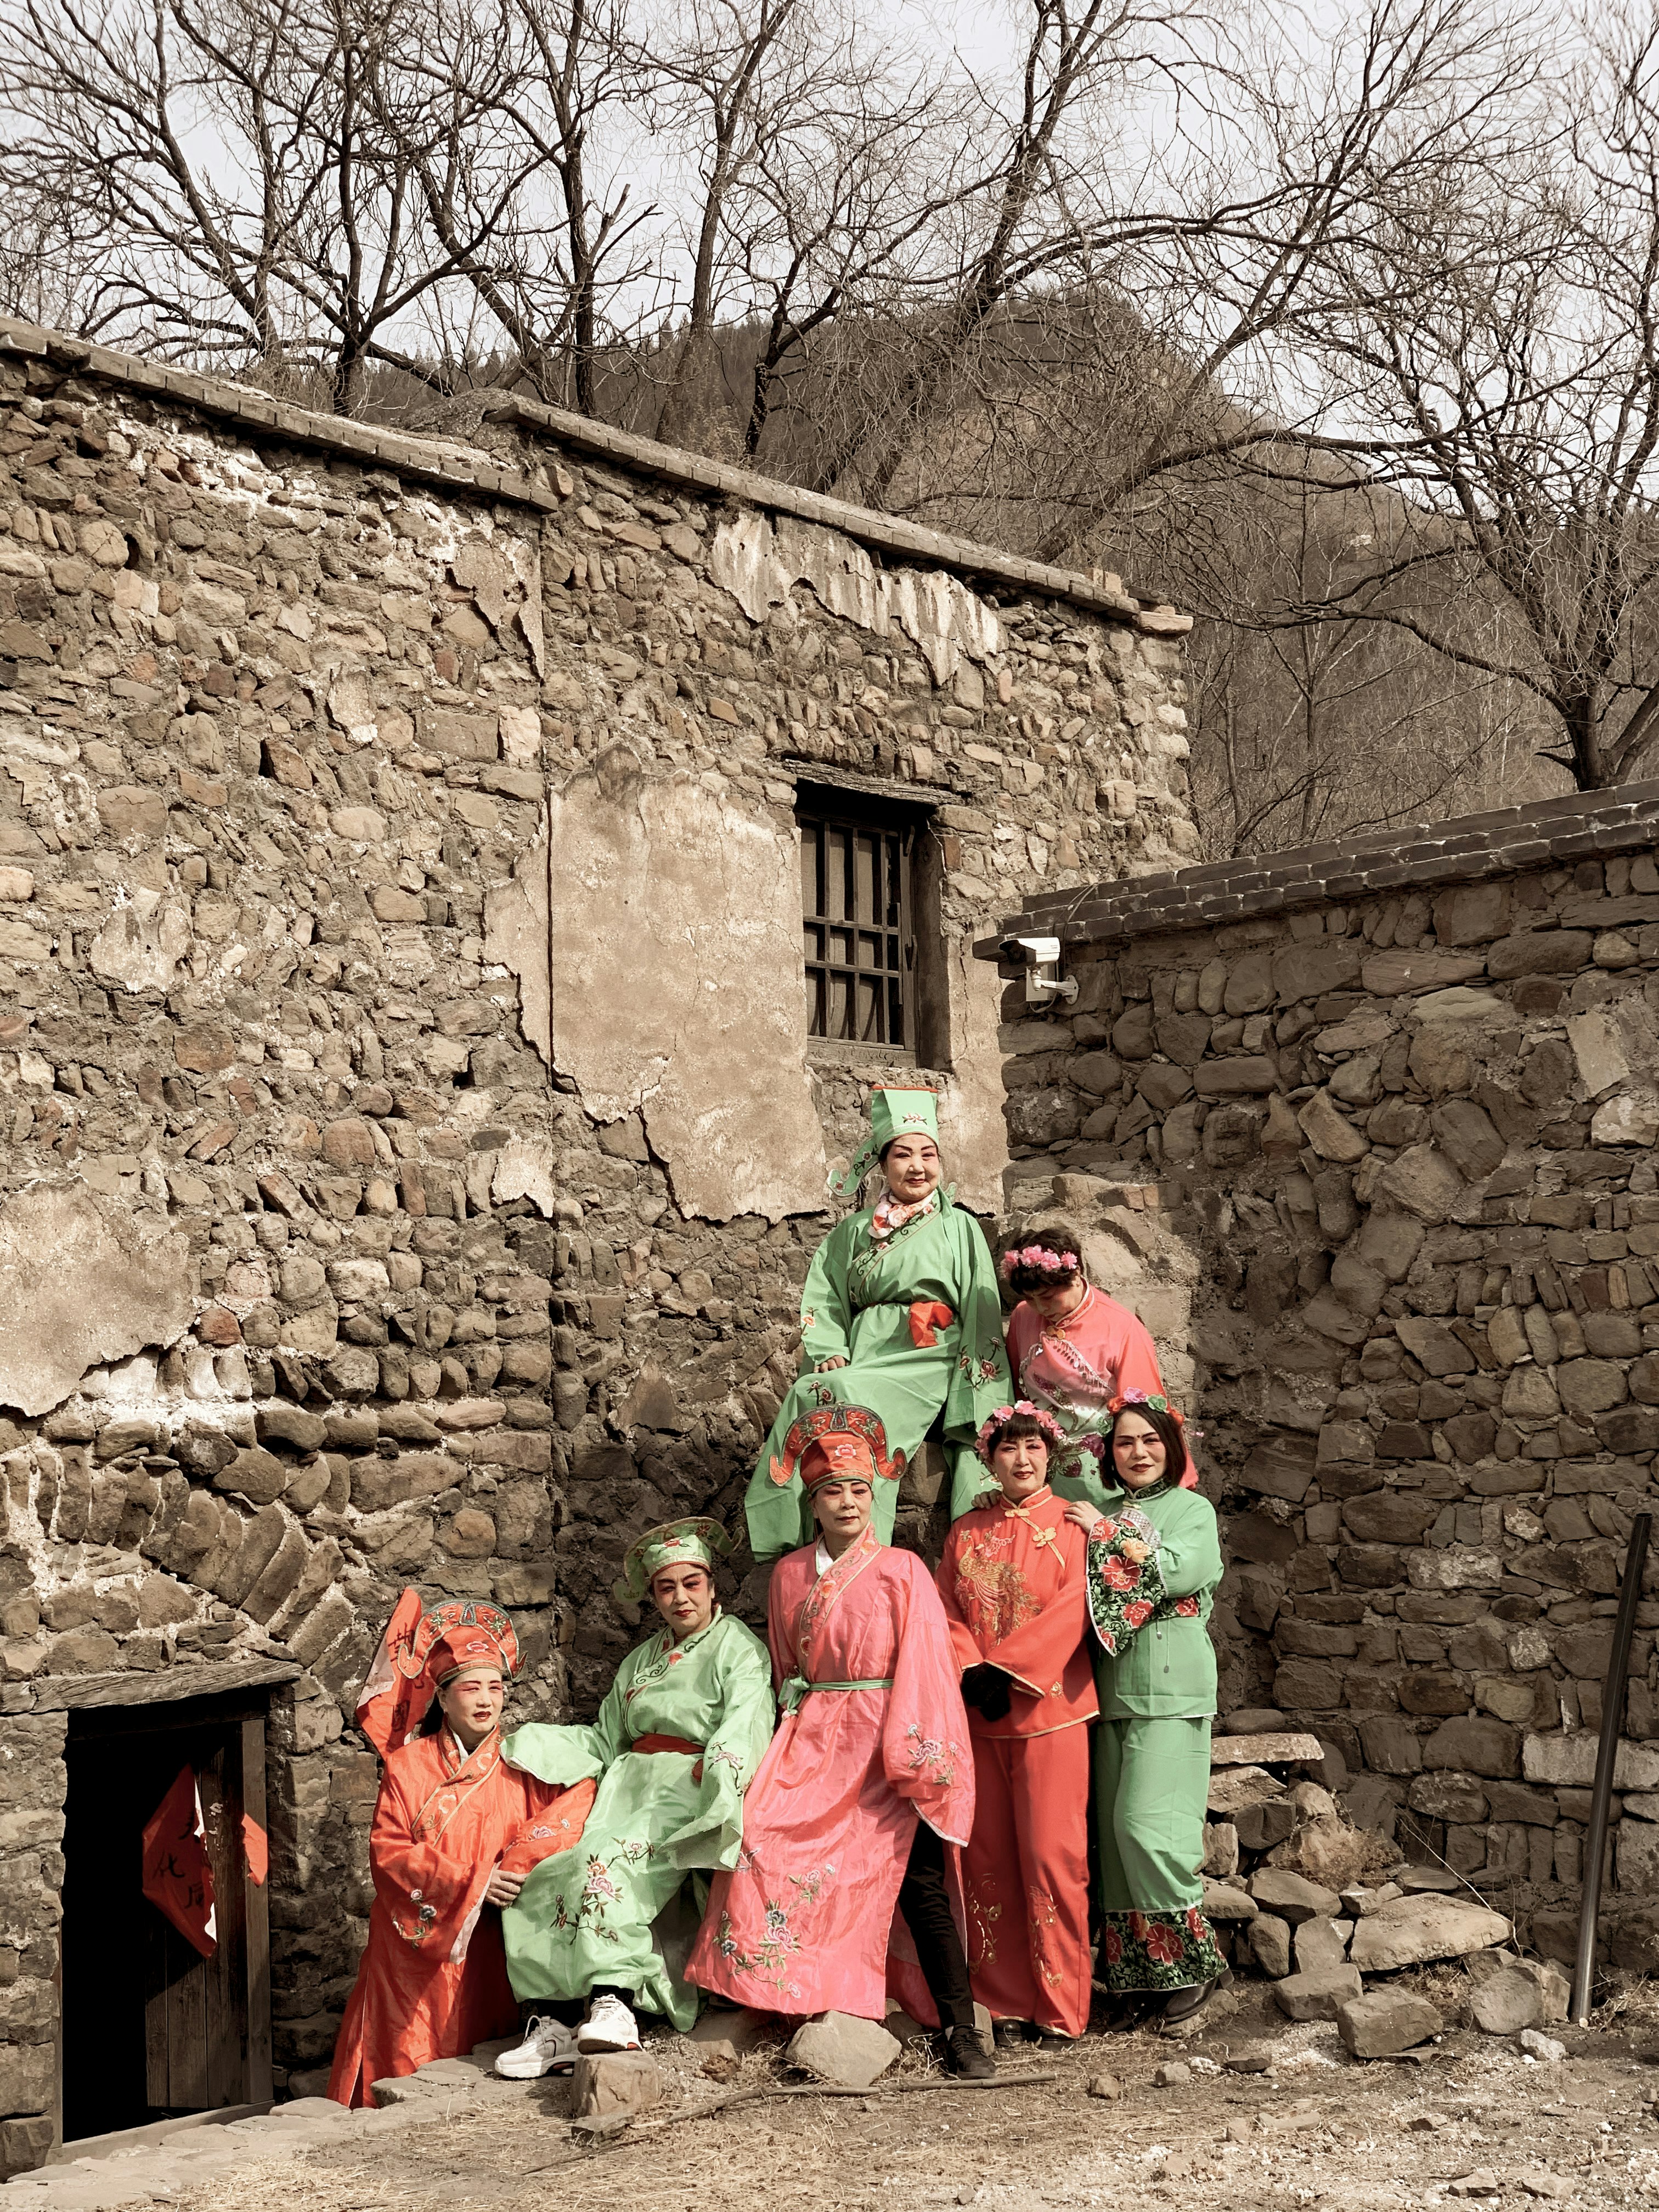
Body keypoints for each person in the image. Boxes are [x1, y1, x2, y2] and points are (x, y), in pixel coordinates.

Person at [691, 1407, 989, 2077]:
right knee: (760, 1843)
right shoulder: (790, 1575)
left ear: (874, 1495)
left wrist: (913, 1755)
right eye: (833, 1491)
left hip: (889, 1733)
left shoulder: (903, 1569)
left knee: (918, 1881)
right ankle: (793, 1997)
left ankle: (960, 2027)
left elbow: (927, 1663)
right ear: (812, 1501)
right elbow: (782, 1671)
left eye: (859, 1489)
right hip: (814, 1736)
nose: (848, 1501)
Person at [493, 1520, 775, 2064]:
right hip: (626, 1786)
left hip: (684, 1787)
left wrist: (719, 1777)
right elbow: (606, 1737)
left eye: (692, 1583)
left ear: (712, 1587)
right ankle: (547, 2022)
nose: (681, 1597)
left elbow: (746, 1719)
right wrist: (531, 1743)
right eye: (667, 1587)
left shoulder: (736, 1647)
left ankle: (613, 2003)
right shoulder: (640, 1661)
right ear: (653, 1597)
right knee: (547, 1869)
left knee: (604, 1865)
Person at [327, 1596, 598, 2108]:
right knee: (408, 2055)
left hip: (488, 1942)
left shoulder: (525, 1761)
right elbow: (388, 1851)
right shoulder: (409, 1765)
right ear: (444, 1699)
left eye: (495, 1688)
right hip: (413, 1949)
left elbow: (578, 1800)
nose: (485, 1701)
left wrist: (520, 1863)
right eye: (471, 1688)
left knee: (477, 2055)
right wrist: (475, 1882)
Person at [745, 1086, 1011, 1560]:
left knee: (839, 1400)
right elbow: (824, 1296)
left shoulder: (960, 1227)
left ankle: (859, 1547)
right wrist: (828, 1348)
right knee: (815, 1392)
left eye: (928, 1155)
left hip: (928, 1353)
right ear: (882, 1164)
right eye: (904, 1155)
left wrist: (978, 1392)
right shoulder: (852, 1231)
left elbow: (980, 1307)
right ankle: (797, 1533)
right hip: (867, 1347)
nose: (917, 1166)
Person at [1061, 1394, 1226, 2027]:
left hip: (1171, 1689)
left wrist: (1103, 1538)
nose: (1138, 1453)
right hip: (1107, 1696)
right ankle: (1140, 1974)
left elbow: (1180, 1571)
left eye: (1150, 1441)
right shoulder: (1097, 1509)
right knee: (1112, 1841)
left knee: (1148, 1827)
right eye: (1125, 1443)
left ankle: (1193, 1965)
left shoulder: (1192, 1510)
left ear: (1172, 1447)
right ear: (1109, 1453)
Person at [936, 1402, 1097, 2048]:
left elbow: (1077, 1603)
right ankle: (1000, 2002)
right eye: (1008, 1449)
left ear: (1050, 1455)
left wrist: (1011, 1670)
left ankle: (1063, 2007)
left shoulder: (1074, 1524)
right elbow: (946, 1606)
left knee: (1053, 1860)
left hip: (1052, 1712)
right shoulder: (965, 1532)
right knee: (988, 1863)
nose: (1022, 1459)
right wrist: (970, 1668)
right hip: (980, 1716)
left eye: (1033, 1447)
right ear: (989, 1458)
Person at [1002, 1228, 1188, 1505]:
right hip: (1035, 1462)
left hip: (1102, 1468)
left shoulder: (1123, 1329)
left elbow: (1142, 1413)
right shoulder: (1022, 1316)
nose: (1040, 1308)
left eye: (1049, 1297)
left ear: (1075, 1276)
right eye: (1030, 1299)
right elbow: (1017, 1396)